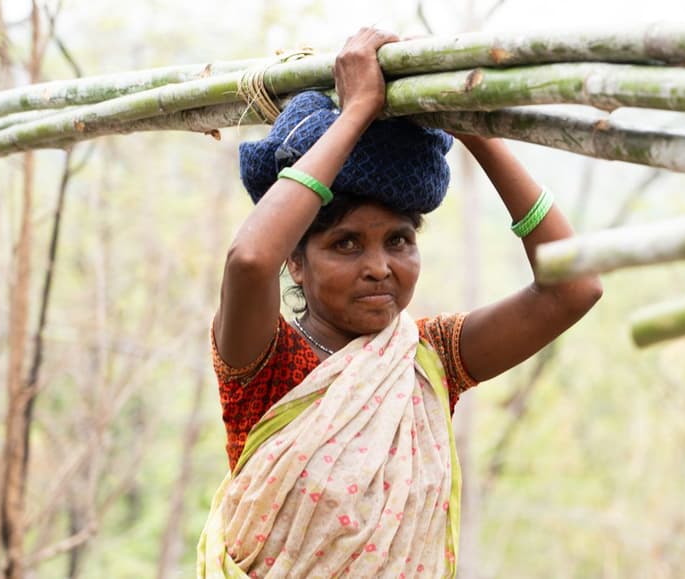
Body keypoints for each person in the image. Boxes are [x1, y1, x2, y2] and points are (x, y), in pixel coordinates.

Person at [198, 27, 603, 578]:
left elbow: (574, 288)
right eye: (346, 244)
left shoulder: (427, 360)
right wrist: (356, 112)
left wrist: (475, 132)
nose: (379, 266)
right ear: (295, 261)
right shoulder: (265, 365)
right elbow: (248, 261)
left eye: (399, 241)